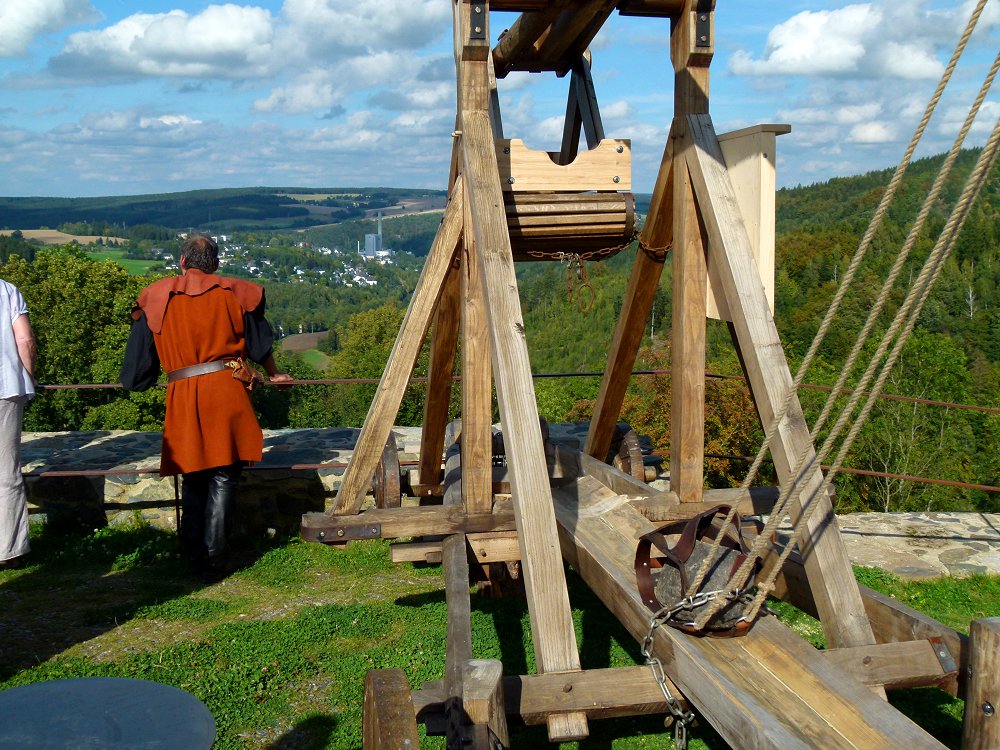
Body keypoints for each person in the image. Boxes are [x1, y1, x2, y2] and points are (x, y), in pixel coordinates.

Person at [120, 234, 291, 581]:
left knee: (193, 474)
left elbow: (137, 368)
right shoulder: (236, 293)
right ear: (214, 264)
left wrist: (141, 380)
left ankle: (194, 555)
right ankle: (216, 558)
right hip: (226, 389)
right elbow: (260, 345)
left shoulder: (155, 297)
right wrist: (273, 374)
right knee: (224, 474)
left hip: (182, 393)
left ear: (182, 262)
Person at [0, 279, 36, 569]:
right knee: (5, 471)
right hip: (5, 388)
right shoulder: (7, 290)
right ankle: (8, 550)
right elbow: (24, 340)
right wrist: (29, 376)